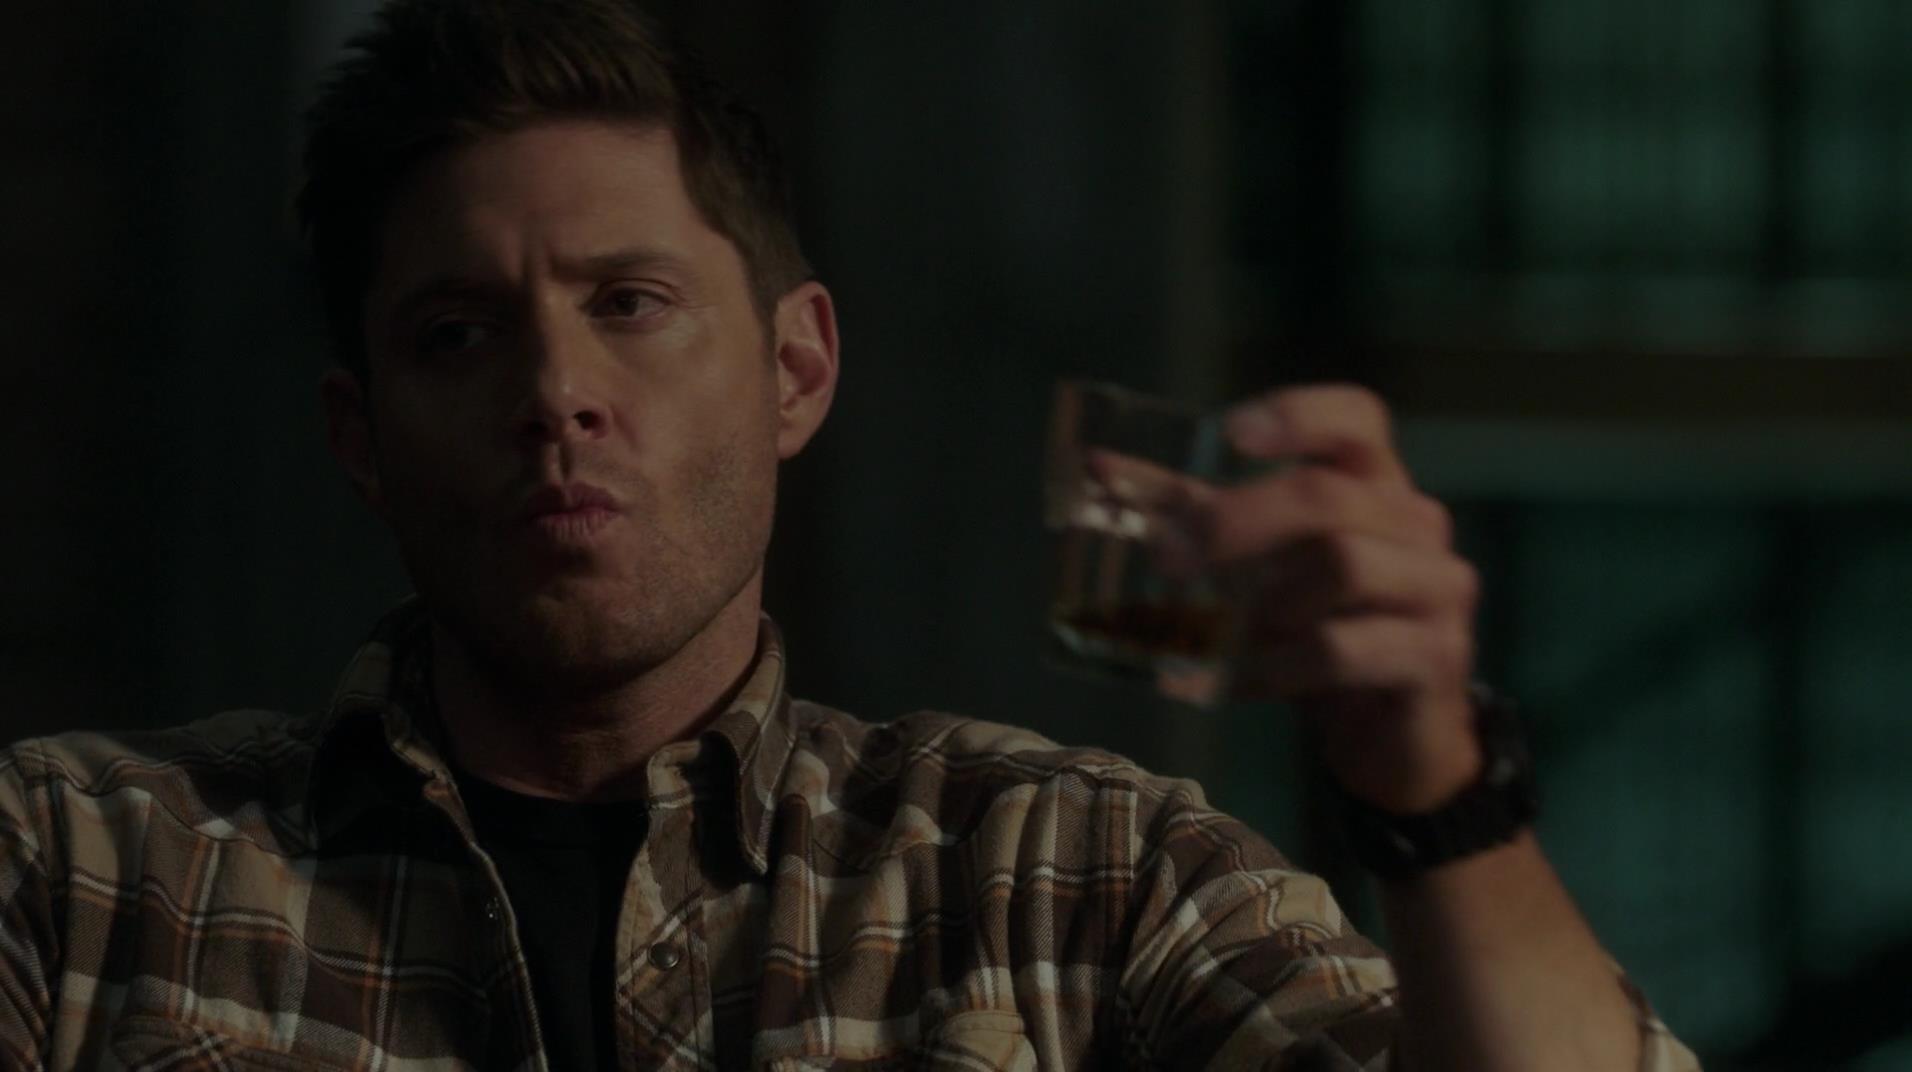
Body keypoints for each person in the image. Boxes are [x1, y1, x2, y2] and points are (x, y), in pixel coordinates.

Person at [0, 2, 1697, 1069]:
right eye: (458, 334)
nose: (557, 393)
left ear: (796, 370)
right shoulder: (79, 871)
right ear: (359, 436)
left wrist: (1433, 791)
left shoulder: (1066, 881)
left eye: (630, 303)